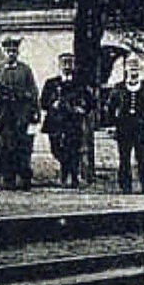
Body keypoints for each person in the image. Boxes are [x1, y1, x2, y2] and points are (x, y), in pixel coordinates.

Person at [0, 36, 40, 190]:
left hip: (21, 114)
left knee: (22, 146)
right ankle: (8, 178)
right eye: (9, 51)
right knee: (5, 146)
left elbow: (33, 90)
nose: (11, 54)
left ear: (18, 53)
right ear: (5, 52)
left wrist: (35, 111)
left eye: (14, 51)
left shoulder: (25, 69)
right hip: (4, 113)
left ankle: (24, 179)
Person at [106, 56, 144, 194]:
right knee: (124, 157)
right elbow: (111, 108)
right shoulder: (118, 87)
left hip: (141, 126)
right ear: (125, 69)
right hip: (124, 126)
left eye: (136, 67)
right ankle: (125, 186)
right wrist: (111, 125)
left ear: (139, 69)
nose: (133, 70)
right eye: (130, 67)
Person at [40, 52, 94, 188]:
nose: (67, 66)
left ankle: (71, 178)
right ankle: (67, 172)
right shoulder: (51, 83)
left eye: (70, 63)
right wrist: (52, 103)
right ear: (59, 65)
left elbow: (91, 102)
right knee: (56, 149)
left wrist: (82, 109)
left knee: (73, 149)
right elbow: (43, 102)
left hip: (73, 121)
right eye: (64, 63)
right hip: (55, 122)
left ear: (74, 65)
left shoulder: (80, 83)